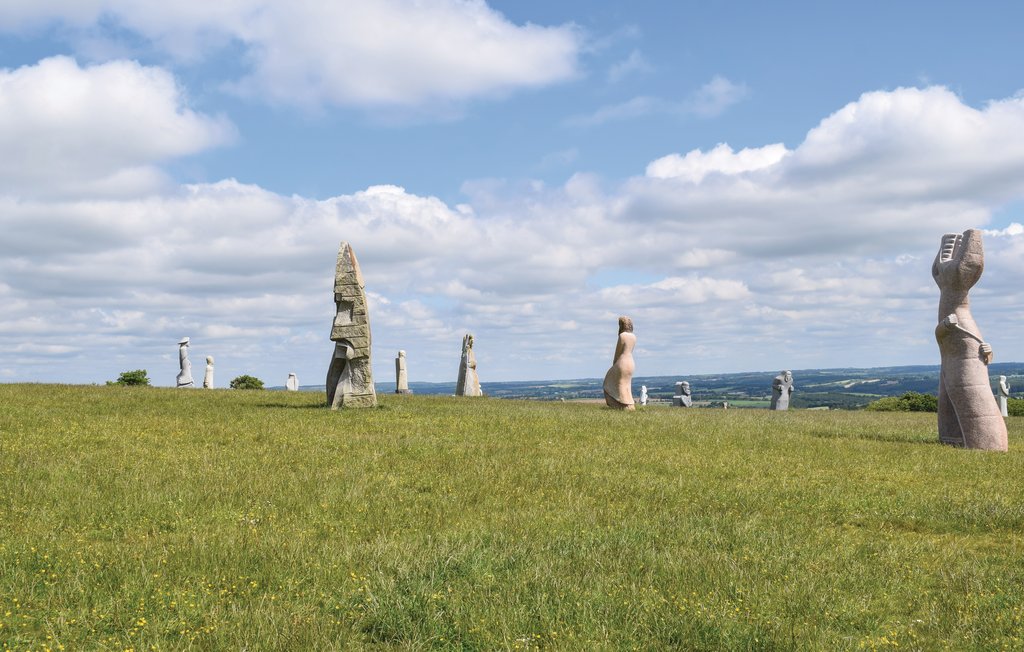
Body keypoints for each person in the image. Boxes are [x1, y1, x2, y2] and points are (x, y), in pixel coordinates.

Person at [603, 316, 636, 410]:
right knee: (626, 384)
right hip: (631, 362)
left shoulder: (623, 336)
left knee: (614, 382)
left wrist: (614, 363)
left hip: (622, 362)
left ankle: (621, 404)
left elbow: (618, 352)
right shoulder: (633, 336)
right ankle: (630, 404)